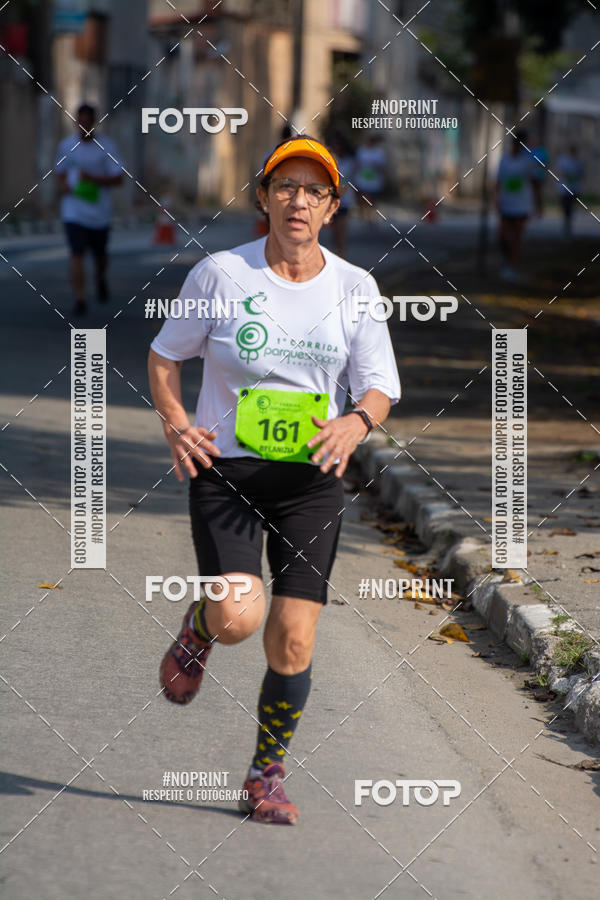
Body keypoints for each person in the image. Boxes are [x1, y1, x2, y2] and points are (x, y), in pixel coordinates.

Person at [148, 135, 401, 825]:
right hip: (227, 470)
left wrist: (355, 423)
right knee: (238, 615)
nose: (298, 200)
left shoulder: (355, 288)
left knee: (293, 637)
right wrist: (175, 421)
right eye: (284, 186)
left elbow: (379, 386)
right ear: (263, 198)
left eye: (313, 190)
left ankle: (266, 773)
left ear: (330, 208)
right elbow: (166, 357)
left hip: (311, 480)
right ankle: (200, 627)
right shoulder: (220, 275)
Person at [55, 103, 124, 316]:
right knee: (76, 254)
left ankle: (100, 277)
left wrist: (93, 178)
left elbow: (119, 178)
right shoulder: (66, 146)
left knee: (100, 256)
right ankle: (80, 298)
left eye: (87, 122)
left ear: (94, 122)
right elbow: (60, 172)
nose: (83, 126)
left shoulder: (107, 147)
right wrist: (64, 185)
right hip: (74, 211)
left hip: (99, 213)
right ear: (76, 122)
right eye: (80, 122)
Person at [495, 130, 540, 281]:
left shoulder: (528, 162)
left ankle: (512, 266)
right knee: (502, 237)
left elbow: (535, 183)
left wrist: (537, 204)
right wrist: (497, 198)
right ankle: (507, 260)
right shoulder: (504, 160)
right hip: (506, 203)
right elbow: (499, 181)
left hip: (522, 205)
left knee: (517, 237)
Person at [328, 134, 356, 258]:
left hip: (344, 201)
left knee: (341, 230)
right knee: (334, 233)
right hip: (332, 200)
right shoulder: (331, 159)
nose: (336, 147)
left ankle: (341, 254)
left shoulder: (349, 162)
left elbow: (349, 181)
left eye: (338, 144)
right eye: (334, 144)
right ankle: (337, 253)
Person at [354, 134, 387, 220]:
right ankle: (365, 215)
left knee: (373, 199)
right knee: (364, 197)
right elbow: (357, 163)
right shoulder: (361, 150)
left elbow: (382, 165)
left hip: (374, 180)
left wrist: (375, 166)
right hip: (363, 179)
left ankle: (372, 216)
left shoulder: (378, 152)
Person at [556, 144, 584, 237]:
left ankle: (568, 223)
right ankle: (566, 223)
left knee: (571, 207)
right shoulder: (564, 160)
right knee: (566, 207)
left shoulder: (578, 161)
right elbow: (561, 173)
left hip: (574, 188)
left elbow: (581, 174)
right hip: (564, 189)